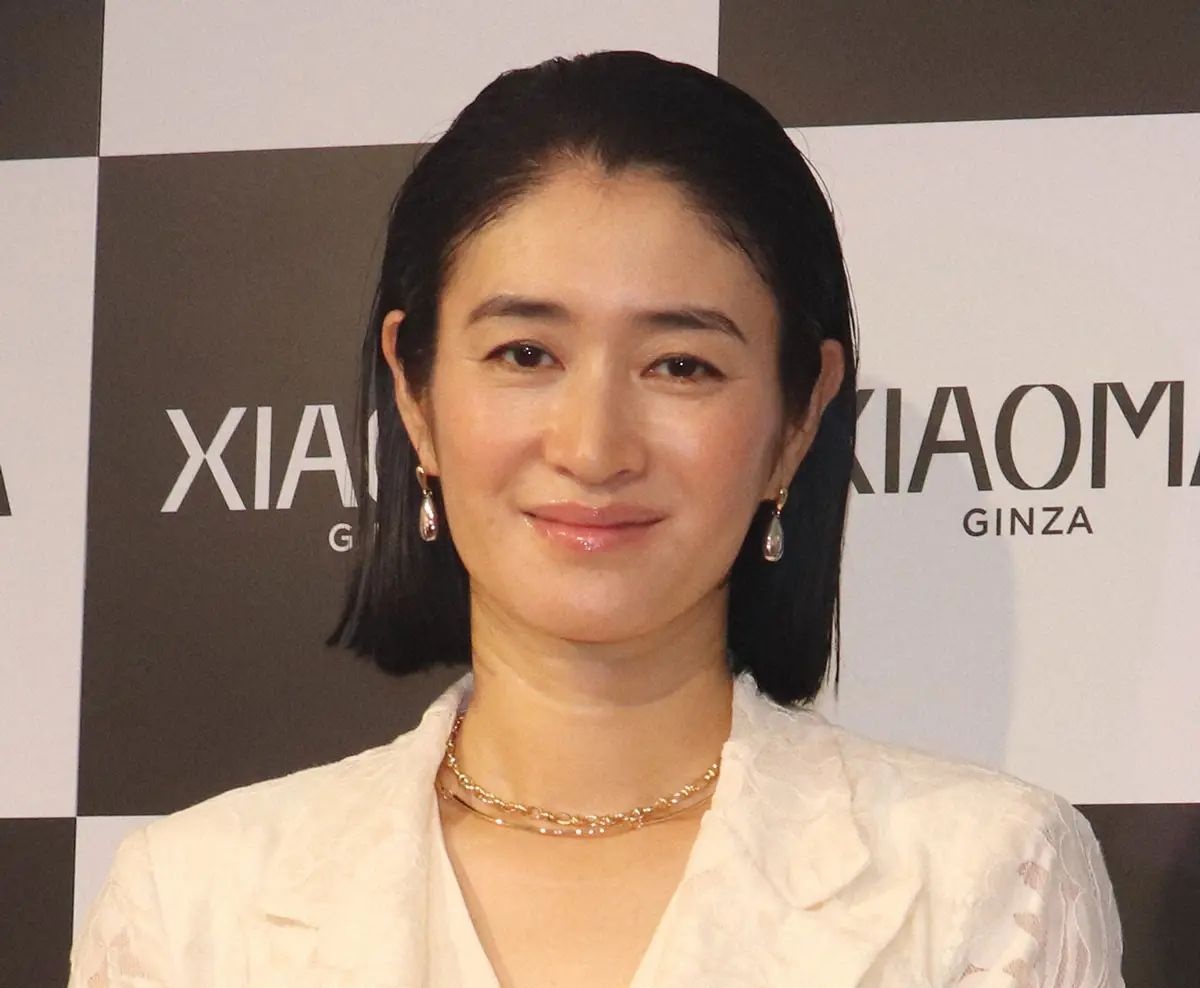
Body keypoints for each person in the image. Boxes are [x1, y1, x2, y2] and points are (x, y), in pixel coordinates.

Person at [68, 50, 1123, 987]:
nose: (593, 446)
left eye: (681, 365)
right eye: (526, 354)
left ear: (798, 418)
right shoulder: (193, 909)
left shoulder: (987, 883)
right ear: (415, 394)